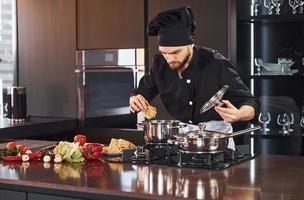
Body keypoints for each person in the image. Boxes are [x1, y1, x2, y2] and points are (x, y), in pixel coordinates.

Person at [129, 6, 259, 132]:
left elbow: (250, 102)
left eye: (175, 52)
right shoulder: (159, 63)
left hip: (216, 138)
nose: (168, 58)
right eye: (164, 53)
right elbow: (142, 91)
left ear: (190, 44)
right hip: (182, 137)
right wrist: (135, 97)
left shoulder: (217, 63)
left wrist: (239, 114)